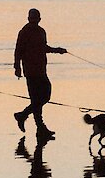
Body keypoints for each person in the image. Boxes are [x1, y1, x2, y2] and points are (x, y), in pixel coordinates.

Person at [13, 8, 67, 141]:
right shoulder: (24, 32)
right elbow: (18, 50)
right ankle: (40, 128)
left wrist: (57, 50)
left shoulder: (41, 31)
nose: (34, 20)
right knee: (37, 100)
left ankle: (23, 116)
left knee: (44, 97)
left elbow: (44, 48)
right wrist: (17, 67)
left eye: (36, 18)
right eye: (32, 18)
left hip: (41, 69)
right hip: (30, 71)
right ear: (28, 19)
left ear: (39, 19)